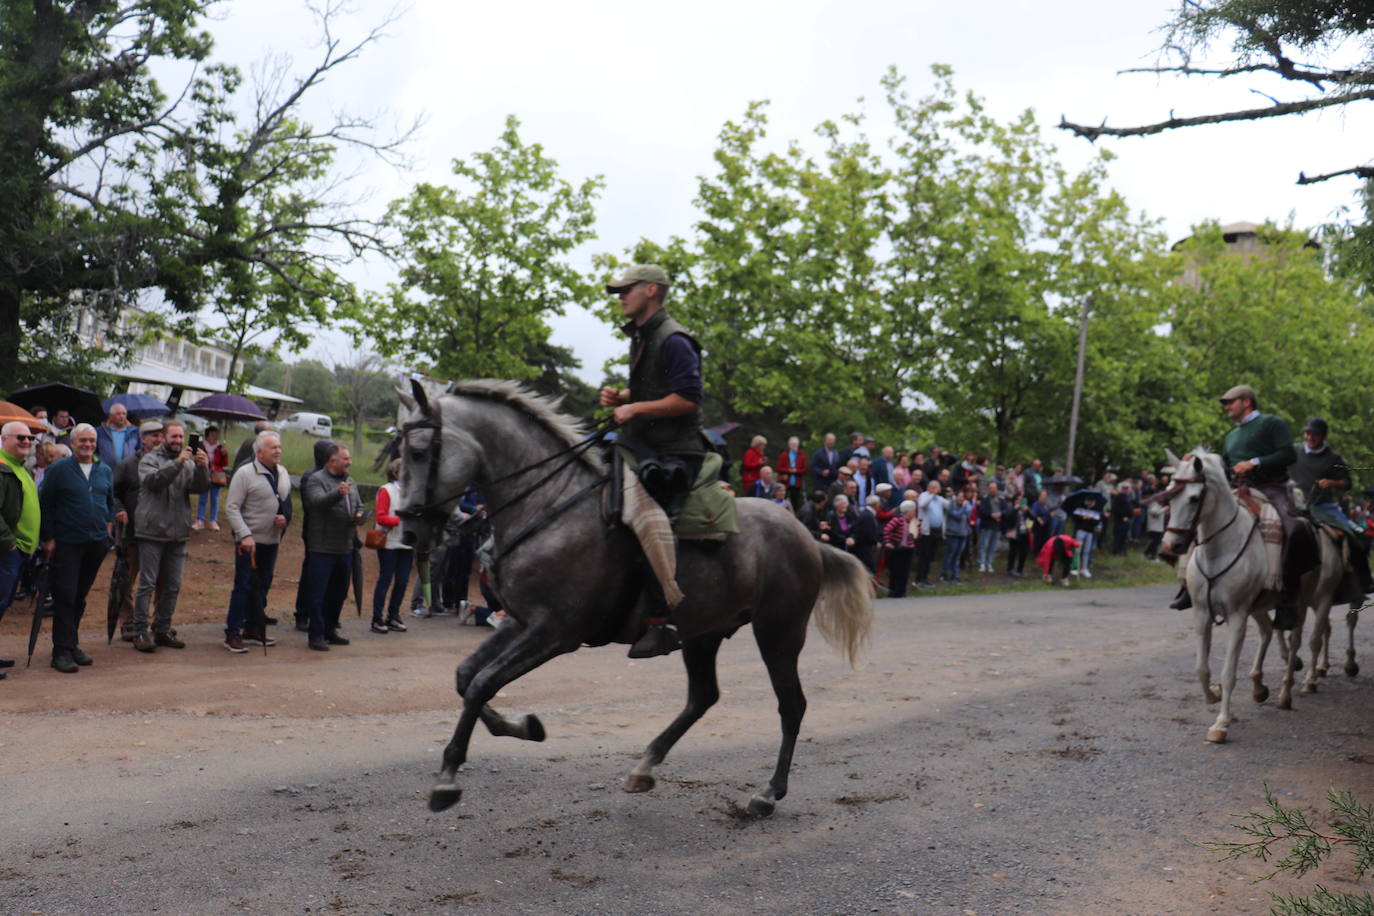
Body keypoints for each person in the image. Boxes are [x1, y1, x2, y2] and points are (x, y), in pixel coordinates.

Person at [599, 264, 705, 658]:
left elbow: (690, 398)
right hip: (645, 446)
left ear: (651, 290)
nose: (621, 296)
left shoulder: (675, 338)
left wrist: (637, 406)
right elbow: (658, 387)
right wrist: (625, 398)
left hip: (677, 452)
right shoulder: (643, 335)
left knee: (647, 517)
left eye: (626, 289)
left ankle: (662, 621)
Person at [1172, 385, 1313, 624]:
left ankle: (1286, 597)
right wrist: (1192, 462)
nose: (1226, 407)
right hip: (1236, 490)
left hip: (1272, 488)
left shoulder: (1271, 423)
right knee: (1198, 519)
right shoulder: (1231, 436)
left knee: (1293, 528)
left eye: (1229, 402)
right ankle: (1189, 586)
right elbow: (1225, 469)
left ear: (1246, 402)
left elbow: (1288, 454)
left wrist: (1255, 462)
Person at [38, 424, 115, 673]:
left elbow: (109, 501)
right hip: (67, 541)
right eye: (83, 440)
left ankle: (72, 645)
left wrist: (109, 527)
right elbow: (46, 503)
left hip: (96, 542)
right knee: (66, 596)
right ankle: (60, 651)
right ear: (72, 443)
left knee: (80, 596)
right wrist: (48, 537)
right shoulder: (59, 469)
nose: (88, 445)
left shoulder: (104, 470)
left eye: (92, 441)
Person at [131, 419, 209, 652]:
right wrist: (178, 462)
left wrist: (203, 467)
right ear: (163, 437)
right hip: (152, 531)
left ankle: (162, 628)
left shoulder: (187, 462)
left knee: (173, 585)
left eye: (180, 437)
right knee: (148, 583)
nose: (177, 441)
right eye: (173, 436)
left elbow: (199, 488)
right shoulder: (149, 460)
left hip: (178, 532)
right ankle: (140, 631)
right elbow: (155, 482)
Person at [221, 431, 291, 653]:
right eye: (273, 447)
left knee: (262, 585)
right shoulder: (244, 474)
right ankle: (232, 632)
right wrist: (244, 534)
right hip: (249, 542)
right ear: (259, 452)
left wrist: (285, 518)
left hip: (272, 540)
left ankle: (253, 628)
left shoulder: (283, 472)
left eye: (279, 447)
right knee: (243, 586)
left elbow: (285, 503)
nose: (278, 451)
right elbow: (231, 508)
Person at [1290, 417, 1373, 594]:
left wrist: (1333, 482)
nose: (1310, 437)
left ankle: (1363, 580)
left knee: (1355, 536)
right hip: (1294, 503)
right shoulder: (1294, 451)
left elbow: (1347, 483)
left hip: (1323, 506)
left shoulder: (1333, 457)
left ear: (1324, 436)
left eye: (1315, 434)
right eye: (1308, 433)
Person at [302, 443, 364, 651]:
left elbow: (359, 504)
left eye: (349, 459)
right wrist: (337, 493)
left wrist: (360, 515)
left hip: (345, 547)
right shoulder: (316, 480)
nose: (350, 463)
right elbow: (316, 502)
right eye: (345, 459)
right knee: (318, 594)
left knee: (339, 593)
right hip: (322, 547)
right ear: (332, 461)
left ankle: (330, 630)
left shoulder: (351, 481)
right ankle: (316, 635)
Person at [111, 421, 165, 641]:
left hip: (160, 533)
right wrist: (120, 509)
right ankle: (128, 620)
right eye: (153, 436)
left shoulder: (168, 463)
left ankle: (158, 622)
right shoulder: (127, 465)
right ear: (143, 439)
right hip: (132, 532)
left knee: (159, 580)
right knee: (126, 578)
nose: (158, 439)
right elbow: (113, 494)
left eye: (160, 435)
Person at [0, 421, 40, 677]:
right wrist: (9, 543)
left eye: (29, 438)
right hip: (7, 551)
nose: (27, 441)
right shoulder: (3, 470)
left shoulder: (21, 469)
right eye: (20, 438)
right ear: (4, 440)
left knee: (3, 602)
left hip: (21, 550)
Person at [294, 439, 337, 630]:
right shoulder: (311, 476)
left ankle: (322, 615)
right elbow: (312, 506)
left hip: (332, 533)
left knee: (329, 576)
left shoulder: (334, 475)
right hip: (314, 532)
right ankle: (302, 614)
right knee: (311, 574)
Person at [370, 458, 413, 634]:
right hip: (388, 542)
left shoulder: (413, 492)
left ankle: (393, 615)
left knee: (402, 581)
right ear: (396, 473)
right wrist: (402, 518)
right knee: (385, 580)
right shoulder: (386, 490)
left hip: (407, 543)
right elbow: (380, 517)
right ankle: (376, 618)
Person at [194, 425, 229, 531]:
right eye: (212, 435)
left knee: (215, 499)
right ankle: (200, 520)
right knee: (202, 498)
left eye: (216, 435)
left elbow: (224, 464)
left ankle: (213, 521)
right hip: (204, 475)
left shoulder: (220, 448)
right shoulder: (201, 446)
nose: (215, 437)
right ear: (207, 436)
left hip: (216, 476)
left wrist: (224, 454)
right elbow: (195, 460)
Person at [914, 480, 948, 588]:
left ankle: (925, 578)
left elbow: (948, 505)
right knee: (924, 555)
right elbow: (922, 505)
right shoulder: (924, 496)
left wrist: (950, 496)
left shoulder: (938, 498)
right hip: (926, 531)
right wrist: (931, 494)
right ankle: (919, 579)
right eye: (933, 487)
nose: (935, 490)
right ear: (929, 488)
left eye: (937, 488)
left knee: (930, 556)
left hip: (936, 531)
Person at [882, 500, 919, 598]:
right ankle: (894, 591)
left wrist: (918, 528)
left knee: (905, 571)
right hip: (898, 548)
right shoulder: (898, 520)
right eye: (913, 511)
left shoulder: (913, 521)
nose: (914, 513)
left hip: (909, 548)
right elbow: (887, 530)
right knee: (896, 571)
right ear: (908, 511)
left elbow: (915, 535)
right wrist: (888, 542)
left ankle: (901, 591)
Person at [95, 402, 140, 469]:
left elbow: (140, 450)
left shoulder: (134, 432)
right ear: (111, 416)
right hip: (105, 471)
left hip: (128, 472)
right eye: (118, 414)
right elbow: (93, 451)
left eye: (124, 414)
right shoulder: (99, 431)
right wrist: (98, 462)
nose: (122, 416)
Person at [940, 490, 971, 583]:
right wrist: (964, 507)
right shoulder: (951, 505)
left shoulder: (965, 506)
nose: (961, 498)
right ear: (956, 497)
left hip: (962, 534)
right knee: (949, 555)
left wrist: (966, 506)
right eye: (959, 496)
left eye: (962, 497)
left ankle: (955, 576)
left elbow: (969, 513)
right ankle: (944, 575)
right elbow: (957, 515)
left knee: (957, 556)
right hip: (952, 534)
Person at [976, 482, 1007, 573]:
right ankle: (982, 563)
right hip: (987, 526)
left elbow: (1006, 510)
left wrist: (1000, 514)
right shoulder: (984, 499)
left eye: (994, 488)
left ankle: (989, 563)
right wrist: (991, 515)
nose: (992, 490)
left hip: (997, 526)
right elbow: (981, 511)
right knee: (983, 545)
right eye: (990, 488)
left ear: (997, 489)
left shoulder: (1001, 500)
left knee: (993, 547)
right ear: (988, 489)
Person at [775, 436, 808, 509]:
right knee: (781, 500)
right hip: (785, 482)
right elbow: (778, 467)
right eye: (793, 444)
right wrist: (788, 470)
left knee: (795, 502)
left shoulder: (802, 455)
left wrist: (796, 471)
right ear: (789, 445)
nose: (794, 446)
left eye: (796, 445)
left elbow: (805, 469)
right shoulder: (784, 454)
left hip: (796, 483)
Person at [1005, 496, 1031, 577]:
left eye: (1021, 500)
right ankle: (1010, 569)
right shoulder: (1011, 509)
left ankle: (1020, 569)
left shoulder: (1025, 509)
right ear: (1014, 501)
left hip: (1024, 532)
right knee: (1013, 551)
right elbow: (1008, 517)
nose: (1019, 501)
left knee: (1023, 552)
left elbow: (1031, 518)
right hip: (1014, 533)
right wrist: (1015, 509)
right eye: (1017, 499)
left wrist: (1028, 510)